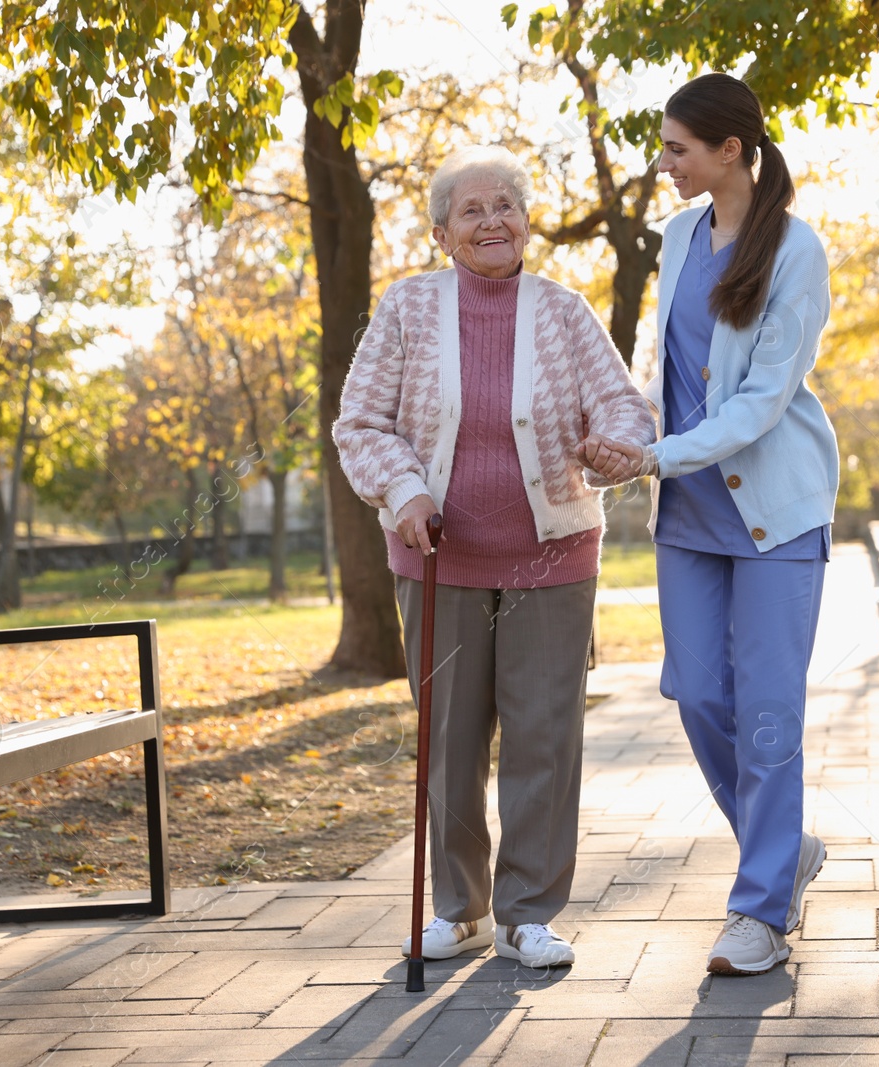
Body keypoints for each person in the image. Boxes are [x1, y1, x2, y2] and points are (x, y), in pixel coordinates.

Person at [334, 144, 656, 969]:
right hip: (437, 557)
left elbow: (622, 404)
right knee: (450, 739)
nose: (492, 222)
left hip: (551, 557)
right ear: (442, 232)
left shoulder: (563, 311)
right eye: (471, 211)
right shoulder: (405, 310)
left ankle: (528, 912)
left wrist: (619, 444)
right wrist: (403, 489)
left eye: (505, 206)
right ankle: (460, 907)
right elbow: (360, 424)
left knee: (545, 735)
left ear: (526, 223)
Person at [582, 72, 839, 976]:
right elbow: (673, 368)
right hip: (689, 509)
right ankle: (785, 847)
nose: (666, 163)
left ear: (730, 150)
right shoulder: (682, 233)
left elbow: (765, 400)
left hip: (773, 511)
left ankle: (760, 909)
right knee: (696, 693)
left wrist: (659, 454)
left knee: (768, 713)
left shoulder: (797, 252)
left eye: (678, 149)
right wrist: (634, 439)